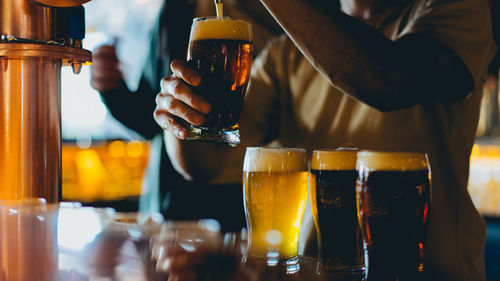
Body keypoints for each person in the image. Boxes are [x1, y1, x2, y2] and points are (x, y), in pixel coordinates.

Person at [154, 0, 497, 280]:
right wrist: (185, 118)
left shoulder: (455, 9)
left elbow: (387, 79)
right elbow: (205, 164)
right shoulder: (286, 55)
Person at [90, 0, 282, 232]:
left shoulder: (279, 14)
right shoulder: (176, 7)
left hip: (241, 198)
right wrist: (113, 92)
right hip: (171, 197)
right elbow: (153, 114)